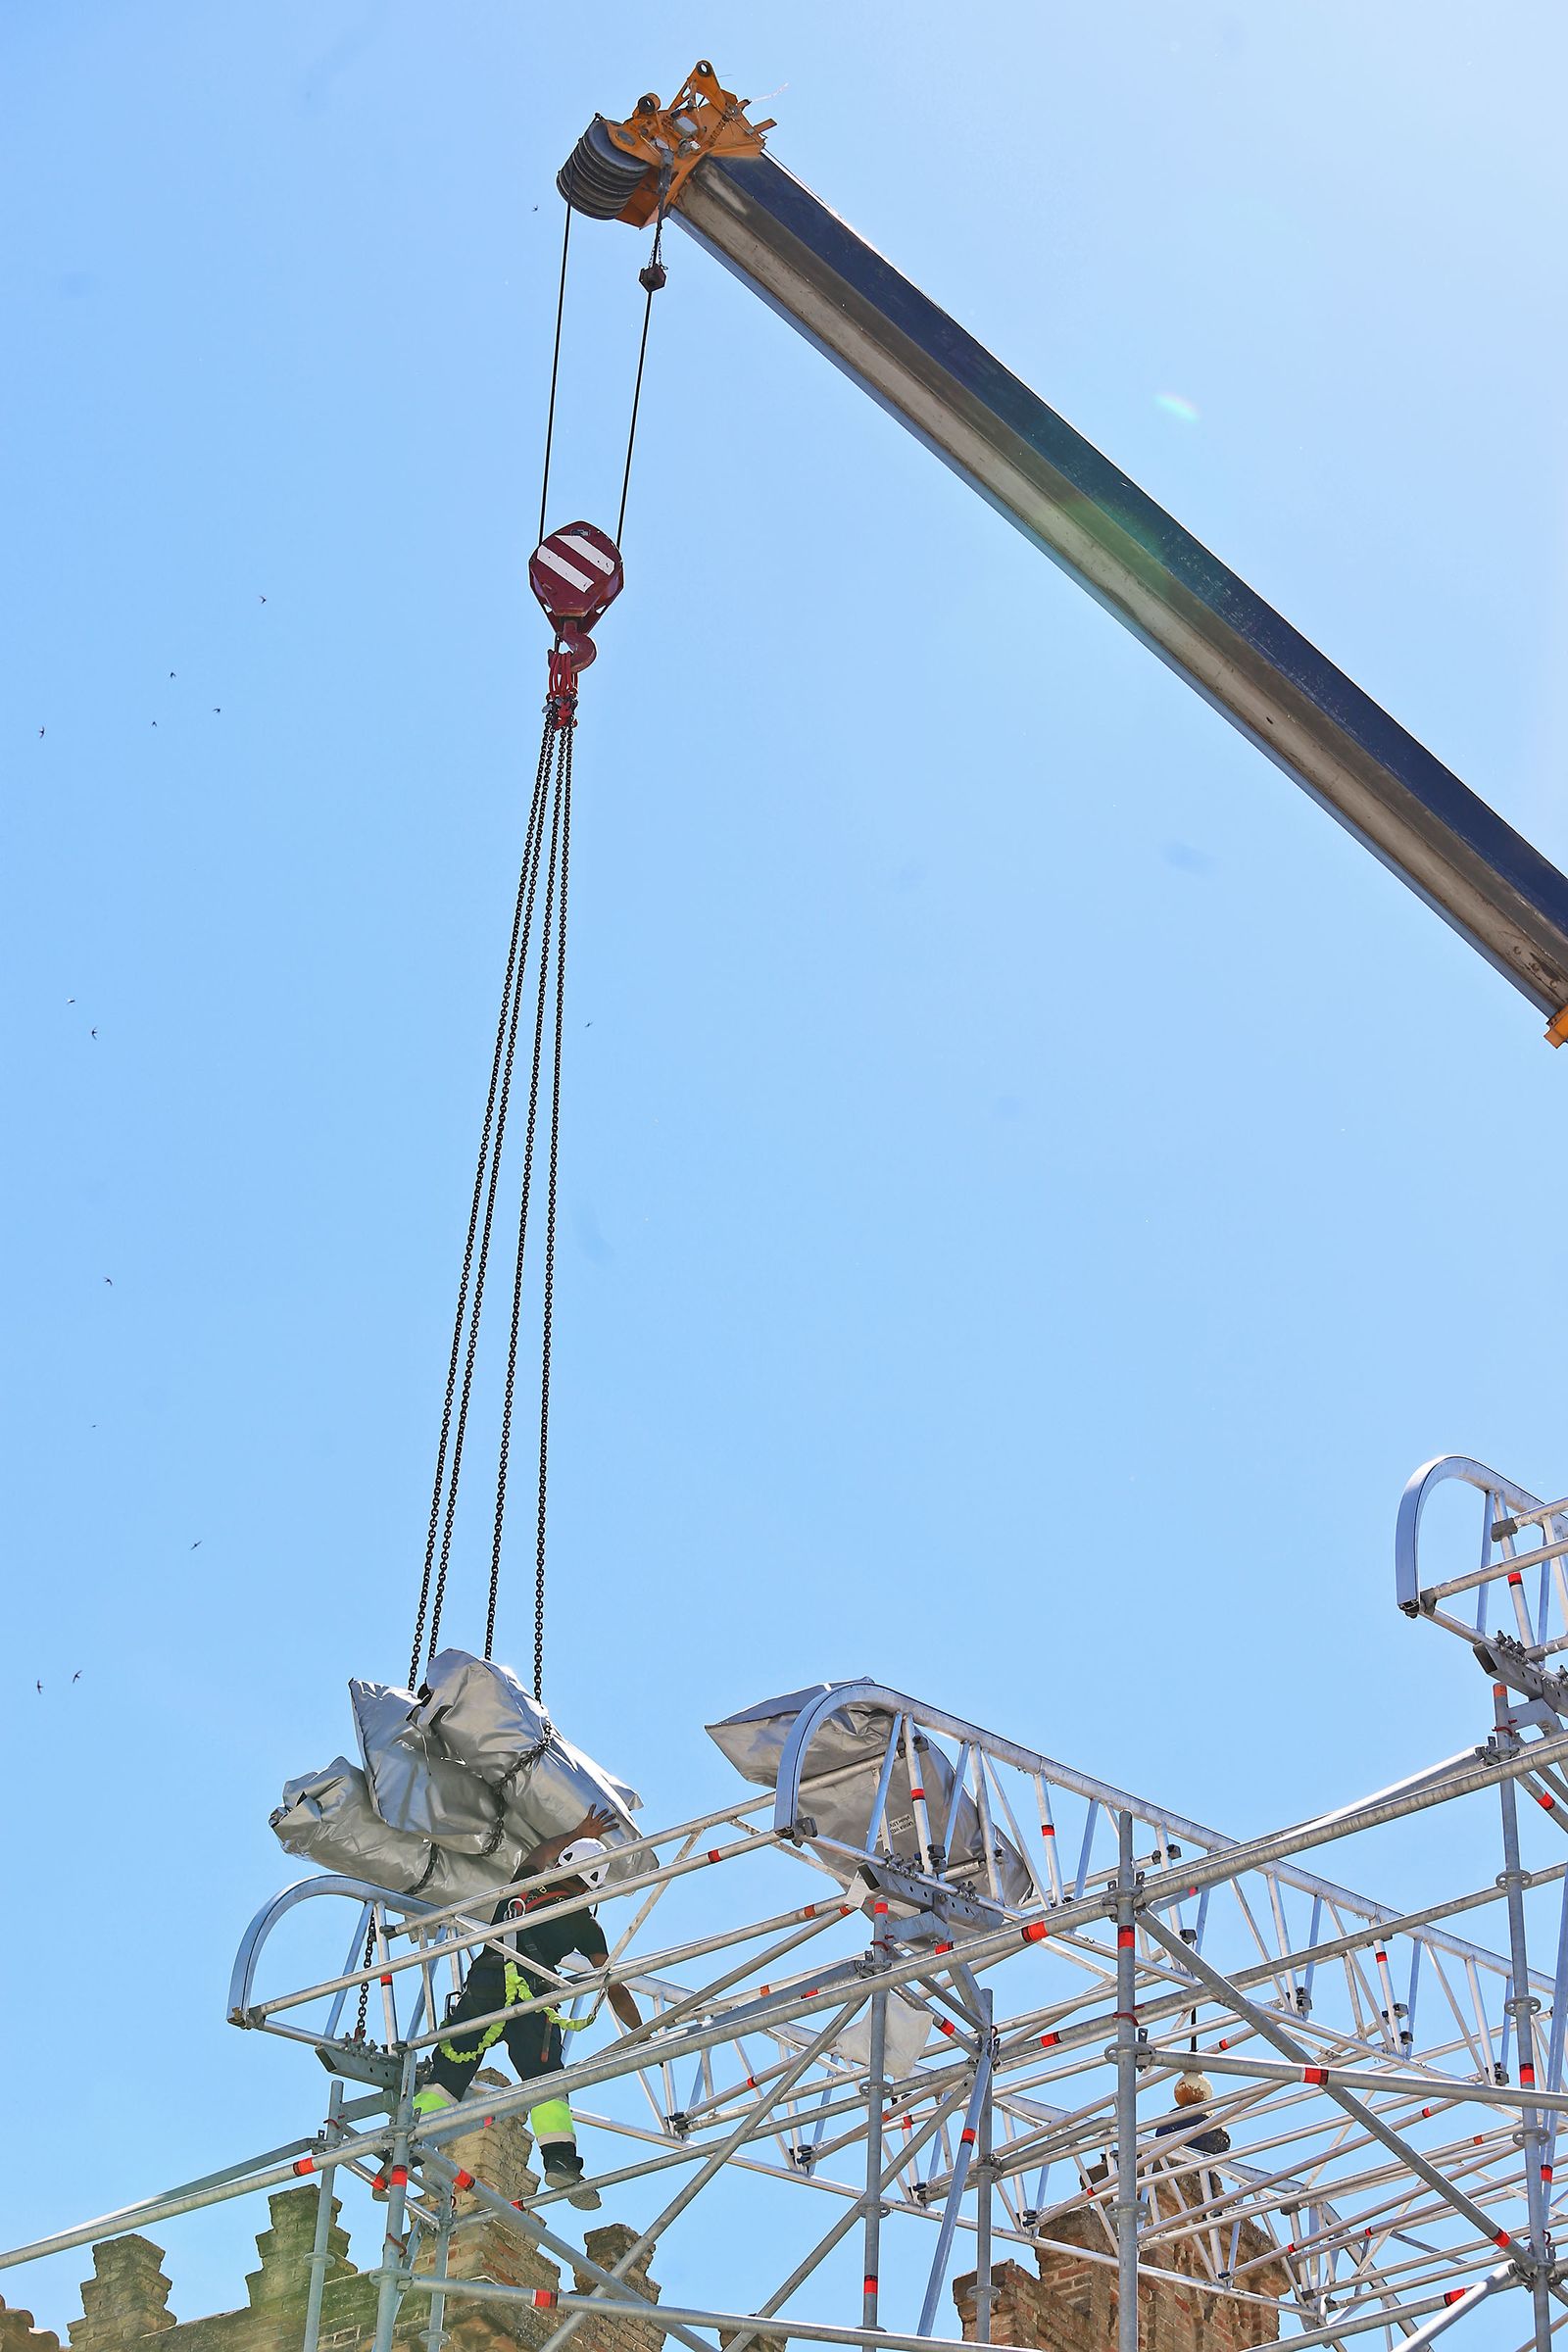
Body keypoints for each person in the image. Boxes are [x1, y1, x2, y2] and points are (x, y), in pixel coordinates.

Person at [412, 1803, 642, 2208]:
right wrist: (641, 2031)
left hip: (483, 1984)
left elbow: (540, 1851)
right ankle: (560, 2161)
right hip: (530, 1994)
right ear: (592, 1886)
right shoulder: (585, 1923)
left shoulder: (527, 1882)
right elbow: (612, 1986)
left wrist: (577, 1831)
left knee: (452, 2067)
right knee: (545, 2080)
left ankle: (410, 2140)